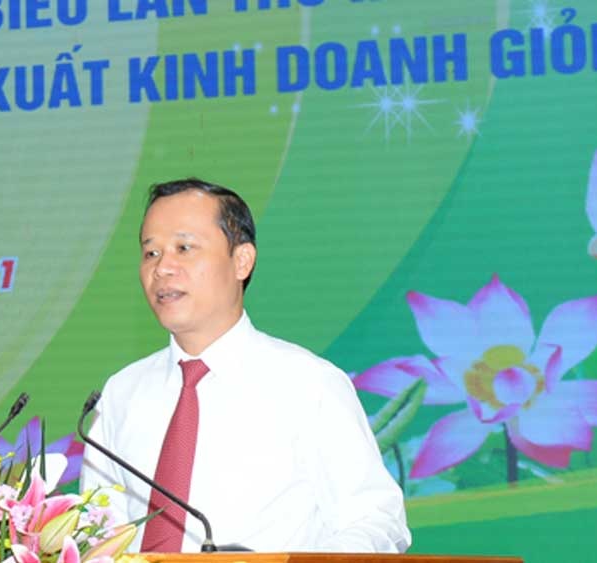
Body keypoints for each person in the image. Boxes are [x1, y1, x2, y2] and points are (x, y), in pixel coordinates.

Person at [80, 178, 411, 553]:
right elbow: (96, 533)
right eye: (151, 253)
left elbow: (376, 520)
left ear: (242, 261)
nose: (162, 268)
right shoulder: (122, 392)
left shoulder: (309, 385)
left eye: (184, 248)